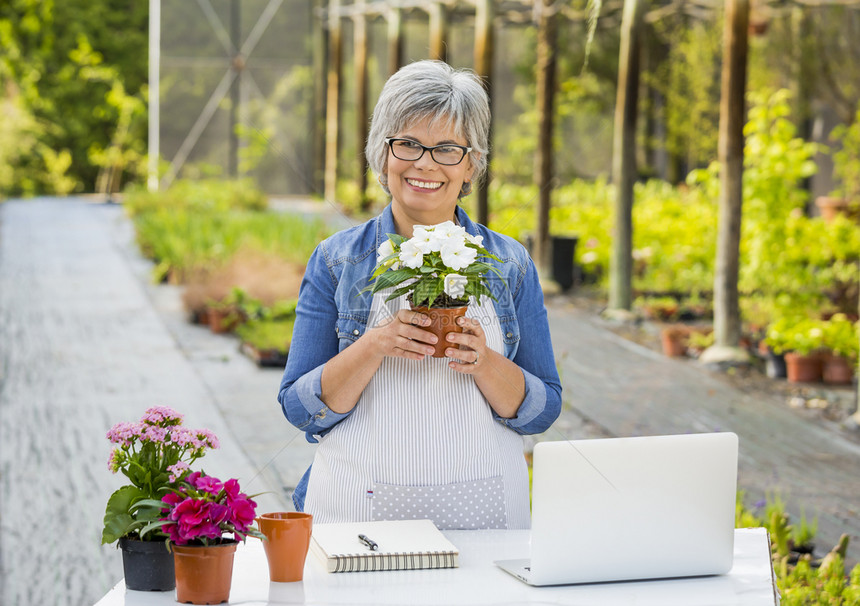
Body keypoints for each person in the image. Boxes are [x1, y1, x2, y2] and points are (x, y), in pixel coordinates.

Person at [278, 60, 561, 530]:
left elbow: (541, 411)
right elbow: (300, 409)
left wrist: (485, 361)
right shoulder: (337, 260)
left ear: (471, 163)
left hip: (483, 509)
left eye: (447, 148)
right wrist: (375, 344)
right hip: (357, 508)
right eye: (407, 144)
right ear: (382, 153)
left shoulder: (509, 264)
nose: (425, 163)